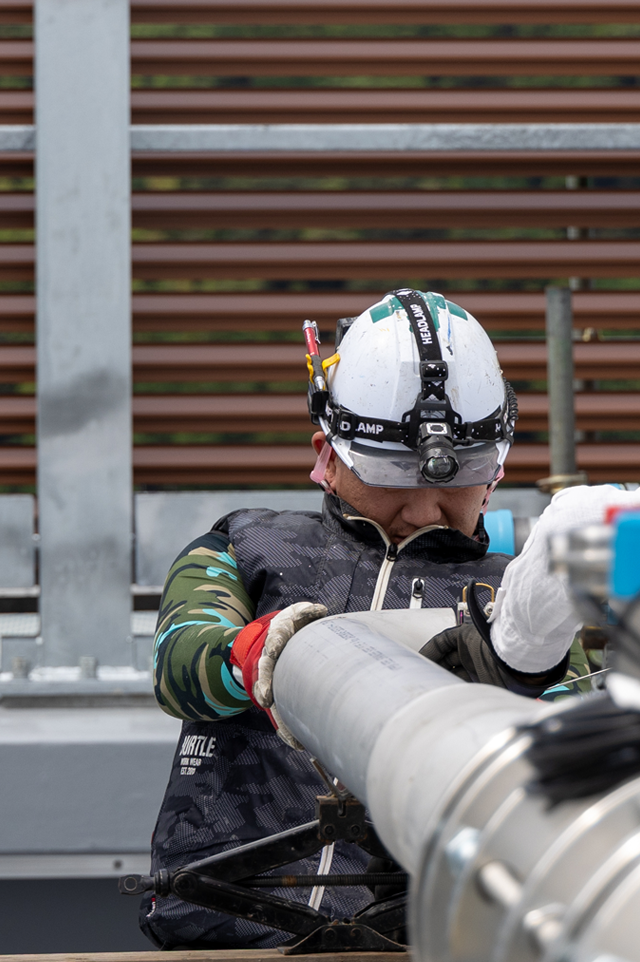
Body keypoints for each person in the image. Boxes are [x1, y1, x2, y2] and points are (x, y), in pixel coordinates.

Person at [140, 288, 588, 949]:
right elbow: (180, 661)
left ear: (496, 467)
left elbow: (576, 749)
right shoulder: (247, 545)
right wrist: (255, 655)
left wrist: (527, 671)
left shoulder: (520, 600)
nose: (424, 508)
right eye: (393, 477)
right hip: (226, 931)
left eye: (455, 478)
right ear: (329, 454)